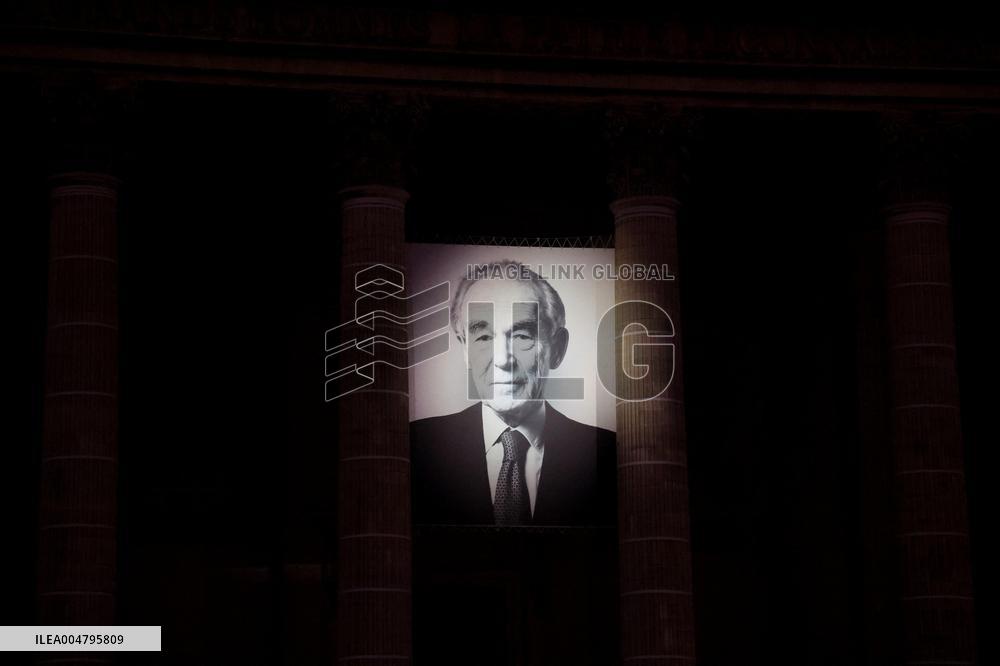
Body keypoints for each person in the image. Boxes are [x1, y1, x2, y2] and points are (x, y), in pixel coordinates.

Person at [410, 259, 615, 527]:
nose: (503, 360)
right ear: (464, 349)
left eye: (522, 336)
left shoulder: (608, 457)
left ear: (557, 349)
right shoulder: (415, 449)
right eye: (483, 338)